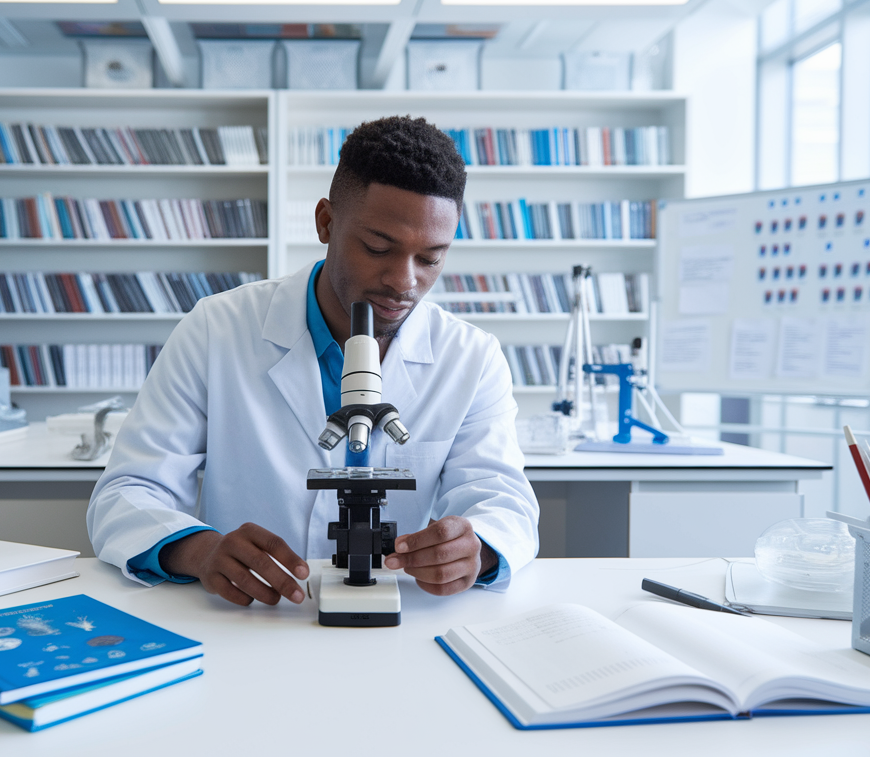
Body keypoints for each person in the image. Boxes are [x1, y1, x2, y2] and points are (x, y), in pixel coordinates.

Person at [87, 115, 539, 608]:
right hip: (249, 619)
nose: (403, 281)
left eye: (429, 258)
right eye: (377, 248)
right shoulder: (216, 329)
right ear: (326, 221)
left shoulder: (471, 357)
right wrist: (201, 551)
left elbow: (504, 501)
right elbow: (127, 492)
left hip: (401, 621)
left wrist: (476, 549)